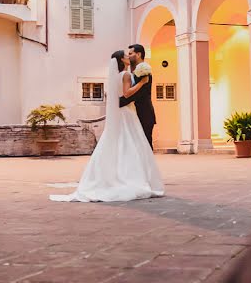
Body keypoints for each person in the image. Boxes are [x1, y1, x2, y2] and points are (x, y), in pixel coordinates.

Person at [49, 50, 165, 202]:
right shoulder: (125, 75)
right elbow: (127, 93)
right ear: (122, 60)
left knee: (120, 142)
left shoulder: (115, 76)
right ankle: (131, 177)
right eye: (126, 55)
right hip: (127, 113)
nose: (129, 56)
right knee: (130, 143)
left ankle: (114, 175)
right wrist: (143, 83)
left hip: (121, 112)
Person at [119, 43, 156, 148]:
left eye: (131, 53)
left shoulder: (144, 69)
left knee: (146, 146)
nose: (128, 56)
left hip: (145, 113)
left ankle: (148, 165)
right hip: (137, 112)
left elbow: (139, 94)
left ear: (138, 54)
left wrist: (119, 102)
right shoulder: (136, 70)